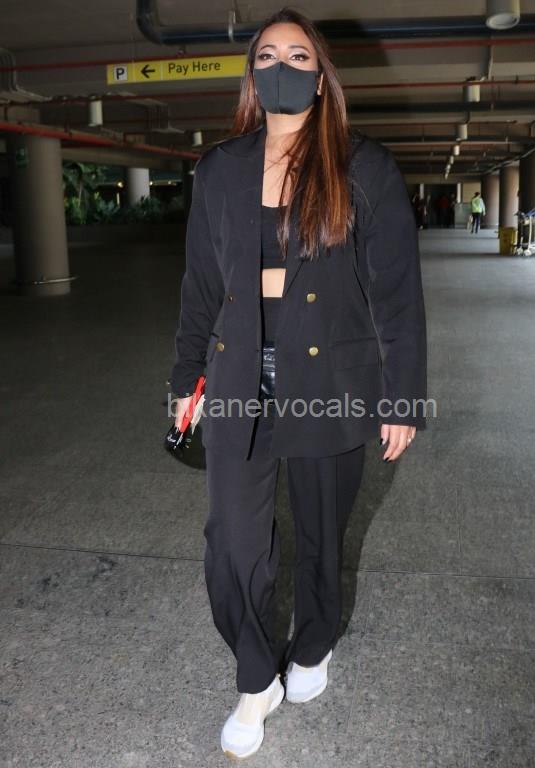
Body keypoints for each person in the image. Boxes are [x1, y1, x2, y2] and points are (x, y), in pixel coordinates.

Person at [170, 6, 427, 759]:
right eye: (267, 55)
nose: (281, 66)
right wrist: (185, 377)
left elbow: (397, 292)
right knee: (232, 539)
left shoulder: (363, 166)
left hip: (334, 377)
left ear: (321, 79)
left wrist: (403, 396)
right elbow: (201, 286)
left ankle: (314, 642)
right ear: (251, 76)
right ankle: (256, 680)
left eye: (298, 56)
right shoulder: (219, 169)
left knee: (321, 533)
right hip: (238, 373)